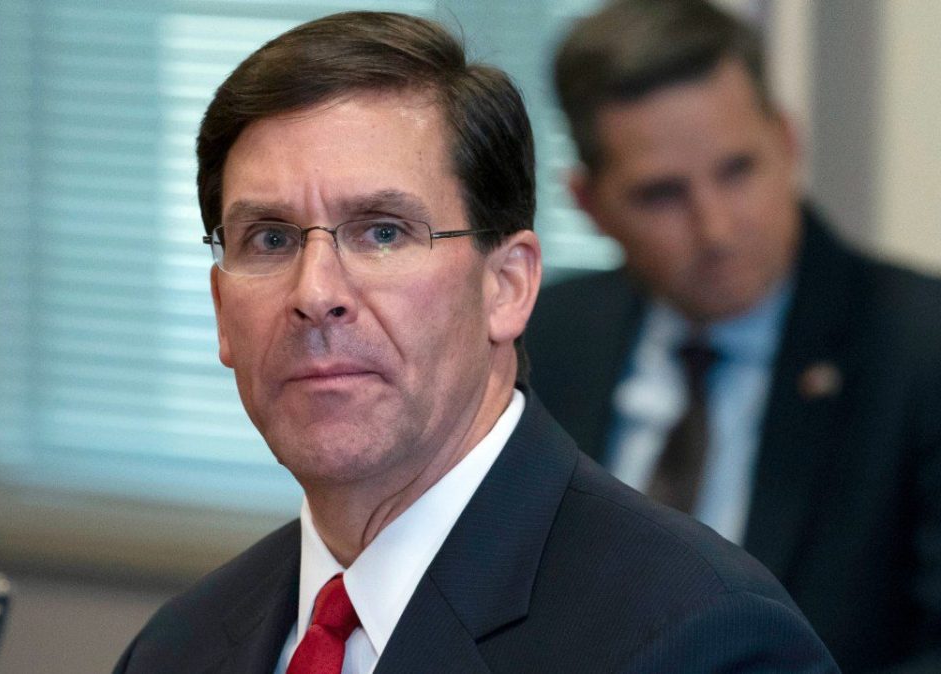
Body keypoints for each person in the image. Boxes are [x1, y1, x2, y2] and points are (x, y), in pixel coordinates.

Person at [115, 11, 836, 673]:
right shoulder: (175, 650)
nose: (315, 293)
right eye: (270, 239)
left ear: (507, 287)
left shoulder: (702, 640)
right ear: (222, 310)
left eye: (383, 232)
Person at [525, 0, 941, 671]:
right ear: (590, 205)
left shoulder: (917, 347)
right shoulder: (541, 343)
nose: (715, 229)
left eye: (738, 170)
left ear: (788, 142)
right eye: (662, 194)